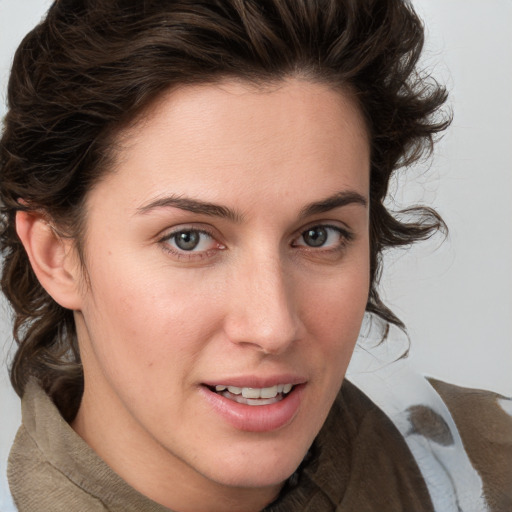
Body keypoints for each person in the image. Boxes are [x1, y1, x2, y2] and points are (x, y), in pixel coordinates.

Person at [0, 0, 510, 511]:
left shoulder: (491, 466)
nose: (273, 327)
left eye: (318, 236)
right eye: (189, 239)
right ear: (55, 255)